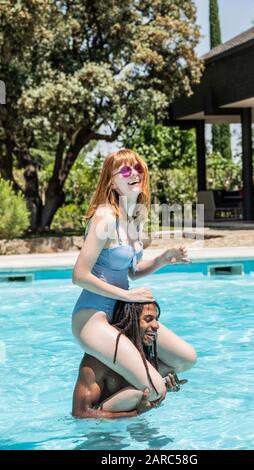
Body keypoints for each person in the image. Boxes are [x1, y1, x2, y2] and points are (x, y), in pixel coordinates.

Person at [72, 148, 197, 406]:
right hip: (92, 318)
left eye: (138, 168)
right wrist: (127, 295)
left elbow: (132, 271)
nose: (135, 173)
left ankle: (141, 382)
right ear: (111, 182)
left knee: (186, 358)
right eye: (126, 170)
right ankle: (98, 418)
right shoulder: (104, 216)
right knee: (154, 390)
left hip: (122, 314)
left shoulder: (132, 219)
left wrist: (163, 259)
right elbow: (79, 276)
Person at [72, 301, 187, 419]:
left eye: (156, 319)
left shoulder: (143, 352)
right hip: (101, 429)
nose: (157, 325)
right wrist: (133, 414)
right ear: (130, 321)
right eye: (148, 319)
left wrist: (166, 389)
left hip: (131, 421)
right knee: (137, 394)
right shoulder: (97, 359)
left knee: (166, 371)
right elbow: (80, 413)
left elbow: (150, 396)